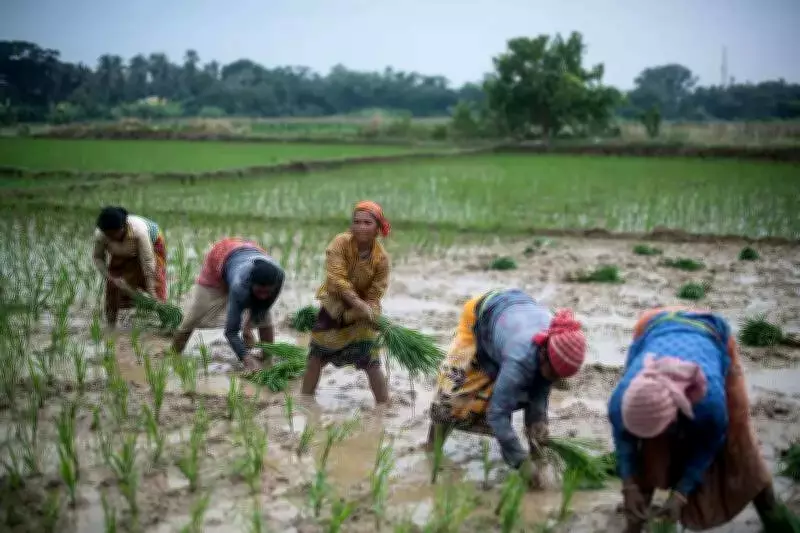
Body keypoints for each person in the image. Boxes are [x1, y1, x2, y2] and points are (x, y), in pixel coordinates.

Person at [608, 307, 779, 533]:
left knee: (739, 445)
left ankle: (775, 518)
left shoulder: (709, 402)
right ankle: (634, 524)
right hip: (653, 324)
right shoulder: (621, 401)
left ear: (674, 415)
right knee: (649, 453)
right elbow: (625, 441)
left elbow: (708, 444)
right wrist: (629, 486)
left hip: (712, 332)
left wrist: (681, 493)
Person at [425, 289, 587, 488]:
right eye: (553, 374)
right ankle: (431, 448)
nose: (554, 380)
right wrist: (521, 462)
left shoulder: (554, 341)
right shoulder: (520, 357)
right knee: (453, 391)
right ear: (544, 353)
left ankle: (533, 450)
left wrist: (539, 426)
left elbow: (539, 393)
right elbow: (497, 414)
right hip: (481, 315)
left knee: (533, 385)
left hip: (515, 312)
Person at [300, 201, 392, 405]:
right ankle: (305, 400)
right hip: (334, 306)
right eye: (357, 222)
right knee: (317, 355)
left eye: (367, 223)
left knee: (371, 360)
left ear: (377, 228)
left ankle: (384, 406)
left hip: (362, 313)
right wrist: (356, 302)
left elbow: (377, 291)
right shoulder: (340, 243)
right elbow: (336, 278)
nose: (361, 227)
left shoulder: (381, 259)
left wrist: (367, 308)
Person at [169, 237, 284, 372]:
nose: (263, 296)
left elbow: (264, 306)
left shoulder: (279, 276)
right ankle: (172, 354)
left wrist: (247, 326)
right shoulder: (240, 285)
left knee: (264, 317)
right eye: (259, 291)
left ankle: (267, 359)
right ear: (250, 284)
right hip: (221, 259)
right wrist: (247, 359)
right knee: (196, 314)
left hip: (249, 253)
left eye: (267, 292)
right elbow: (231, 332)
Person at [92, 206, 168, 328]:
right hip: (122, 250)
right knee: (114, 285)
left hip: (152, 244)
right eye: (108, 235)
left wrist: (151, 290)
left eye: (114, 234)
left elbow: (148, 261)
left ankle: (166, 320)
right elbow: (98, 258)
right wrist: (110, 277)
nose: (111, 237)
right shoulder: (101, 235)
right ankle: (111, 324)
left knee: (156, 281)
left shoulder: (139, 231)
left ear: (123, 228)